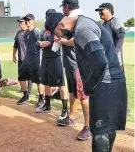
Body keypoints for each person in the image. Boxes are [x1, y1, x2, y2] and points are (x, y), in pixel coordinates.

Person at [47, 12, 127, 152]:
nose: (57, 37)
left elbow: (99, 63)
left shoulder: (82, 29)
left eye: (56, 33)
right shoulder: (84, 23)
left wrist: (88, 86)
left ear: (61, 24)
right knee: (108, 125)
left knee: (99, 129)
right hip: (114, 79)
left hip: (104, 82)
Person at [58, 0, 91, 140]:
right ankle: (72, 117)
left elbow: (76, 40)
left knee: (83, 95)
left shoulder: (78, 20)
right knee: (73, 92)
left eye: (63, 7)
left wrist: (62, 40)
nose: (62, 10)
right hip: (70, 63)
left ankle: (88, 127)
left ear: (67, 6)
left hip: (78, 64)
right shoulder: (71, 20)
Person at [95, 3, 130, 117]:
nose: (100, 12)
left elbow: (120, 37)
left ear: (109, 10)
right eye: (99, 11)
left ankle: (125, 109)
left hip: (115, 61)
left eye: (102, 10)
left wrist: (115, 53)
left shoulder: (115, 21)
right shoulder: (103, 24)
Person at [36, 9, 69, 126]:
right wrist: (40, 44)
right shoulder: (43, 30)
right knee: (46, 83)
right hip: (45, 58)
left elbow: (67, 41)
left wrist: (58, 40)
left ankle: (65, 110)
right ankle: (47, 105)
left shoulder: (60, 29)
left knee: (61, 84)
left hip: (56, 58)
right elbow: (37, 42)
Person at [16, 13, 45, 107]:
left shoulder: (37, 32)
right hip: (27, 60)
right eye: (26, 20)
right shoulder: (26, 33)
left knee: (38, 80)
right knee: (21, 78)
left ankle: (41, 98)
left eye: (29, 20)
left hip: (36, 60)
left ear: (33, 21)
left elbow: (44, 42)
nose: (27, 21)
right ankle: (25, 96)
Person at [13, 17, 33, 97]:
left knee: (29, 76)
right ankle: (23, 89)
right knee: (21, 74)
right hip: (20, 57)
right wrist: (14, 54)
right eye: (19, 22)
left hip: (28, 58)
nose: (20, 24)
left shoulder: (29, 32)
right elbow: (15, 45)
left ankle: (29, 91)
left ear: (26, 23)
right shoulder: (18, 33)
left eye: (21, 22)